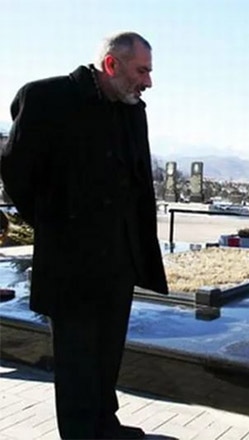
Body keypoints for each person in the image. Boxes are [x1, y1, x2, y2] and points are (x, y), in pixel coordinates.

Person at [1, 32, 168, 439]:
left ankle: (105, 425)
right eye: (141, 70)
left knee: (107, 352)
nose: (148, 81)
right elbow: (17, 174)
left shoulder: (133, 110)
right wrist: (57, 226)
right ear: (111, 64)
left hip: (119, 260)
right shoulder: (46, 98)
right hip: (70, 262)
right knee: (76, 358)